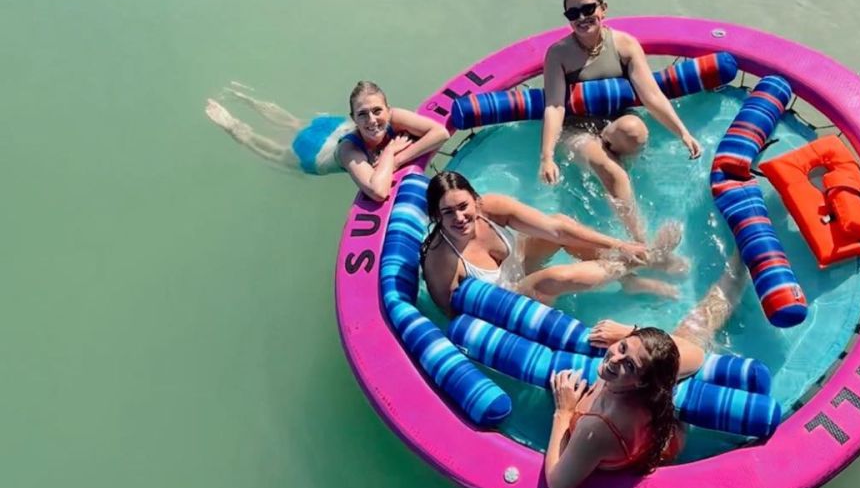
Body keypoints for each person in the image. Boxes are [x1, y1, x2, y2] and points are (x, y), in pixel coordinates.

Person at [544, 254, 745, 488]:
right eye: (622, 347)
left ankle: (741, 268)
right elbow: (696, 355)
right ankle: (738, 269)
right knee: (696, 325)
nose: (614, 360)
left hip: (666, 443)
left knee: (690, 332)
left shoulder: (596, 428)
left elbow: (557, 484)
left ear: (641, 381)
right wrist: (630, 332)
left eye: (629, 365)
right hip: (657, 426)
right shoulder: (648, 379)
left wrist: (563, 412)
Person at [539, 0, 703, 242]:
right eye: (573, 14)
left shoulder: (625, 45)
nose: (582, 17)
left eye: (588, 8)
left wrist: (682, 132)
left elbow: (650, 95)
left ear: (603, 9)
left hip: (615, 124)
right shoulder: (558, 54)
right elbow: (555, 105)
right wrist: (547, 156)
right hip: (578, 129)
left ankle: (614, 171)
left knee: (634, 131)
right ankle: (642, 245)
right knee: (612, 171)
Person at [420, 171, 688, 316]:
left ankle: (630, 275)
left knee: (558, 223)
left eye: (463, 206)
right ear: (436, 216)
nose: (459, 217)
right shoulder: (441, 261)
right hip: (507, 302)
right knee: (550, 279)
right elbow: (453, 317)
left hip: (518, 267)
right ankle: (641, 260)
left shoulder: (490, 208)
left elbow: (557, 230)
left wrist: (620, 243)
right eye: (447, 212)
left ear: (475, 200)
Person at [205, 81, 449, 202]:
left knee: (294, 123)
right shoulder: (349, 151)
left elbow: (441, 133)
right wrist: (390, 155)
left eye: (377, 111)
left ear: (388, 109)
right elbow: (377, 190)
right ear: (353, 118)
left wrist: (398, 156)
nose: (372, 120)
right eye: (363, 114)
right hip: (313, 156)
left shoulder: (394, 117)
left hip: (331, 127)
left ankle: (246, 100)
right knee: (264, 147)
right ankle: (230, 124)